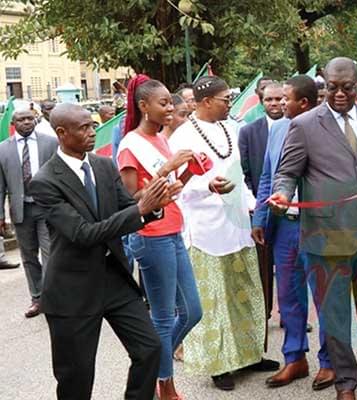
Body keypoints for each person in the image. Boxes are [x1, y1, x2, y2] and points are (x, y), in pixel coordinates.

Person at [271, 57, 357, 400]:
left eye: (347, 87)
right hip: (326, 239)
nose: (339, 94)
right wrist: (283, 193)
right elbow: (287, 172)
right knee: (336, 317)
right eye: (332, 87)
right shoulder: (304, 124)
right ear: (323, 85)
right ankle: (345, 382)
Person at [30, 103, 176, 400]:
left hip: (114, 280)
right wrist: (140, 209)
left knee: (149, 348)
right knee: (77, 376)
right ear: (61, 133)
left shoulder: (103, 165)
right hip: (72, 290)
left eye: (92, 125)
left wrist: (153, 208)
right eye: (83, 127)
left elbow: (127, 210)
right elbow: (83, 234)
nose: (92, 132)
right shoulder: (45, 182)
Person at [168, 76, 279, 391]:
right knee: (214, 299)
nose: (230, 102)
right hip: (205, 229)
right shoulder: (183, 138)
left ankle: (249, 354)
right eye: (224, 98)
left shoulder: (233, 128)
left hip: (238, 225)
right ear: (205, 102)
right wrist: (208, 186)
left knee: (243, 292)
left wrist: (257, 208)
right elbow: (177, 188)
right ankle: (219, 365)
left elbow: (239, 176)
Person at [116, 76, 203, 400]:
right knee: (164, 317)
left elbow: (168, 187)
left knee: (193, 311)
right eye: (164, 103)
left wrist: (190, 171)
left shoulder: (161, 140)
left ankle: (153, 359)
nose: (171, 108)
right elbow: (131, 202)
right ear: (143, 106)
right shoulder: (130, 145)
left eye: (171, 103)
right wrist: (168, 167)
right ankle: (165, 385)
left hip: (173, 232)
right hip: (151, 237)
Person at [255, 75, 335, 391]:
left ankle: (329, 363)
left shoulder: (327, 131)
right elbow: (266, 177)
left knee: (325, 297)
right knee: (288, 296)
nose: (279, 102)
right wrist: (260, 217)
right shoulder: (276, 131)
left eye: (285, 97)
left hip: (318, 225)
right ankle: (295, 358)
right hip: (284, 227)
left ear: (303, 103)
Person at [0, 108, 58, 317]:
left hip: (47, 206)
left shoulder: (50, 143)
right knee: (28, 256)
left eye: (29, 118)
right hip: (20, 209)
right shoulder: (3, 149)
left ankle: (53, 297)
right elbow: (0, 186)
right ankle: (37, 298)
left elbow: (60, 175)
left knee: (50, 252)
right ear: (13, 123)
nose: (26, 122)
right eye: (21, 119)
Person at [239, 81, 286, 322]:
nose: (275, 104)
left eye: (279, 99)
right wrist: (256, 205)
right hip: (261, 210)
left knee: (290, 269)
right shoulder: (248, 132)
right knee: (263, 267)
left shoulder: (296, 127)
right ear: (261, 102)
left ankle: (289, 315)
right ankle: (264, 313)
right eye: (270, 100)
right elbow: (244, 172)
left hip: (292, 211)